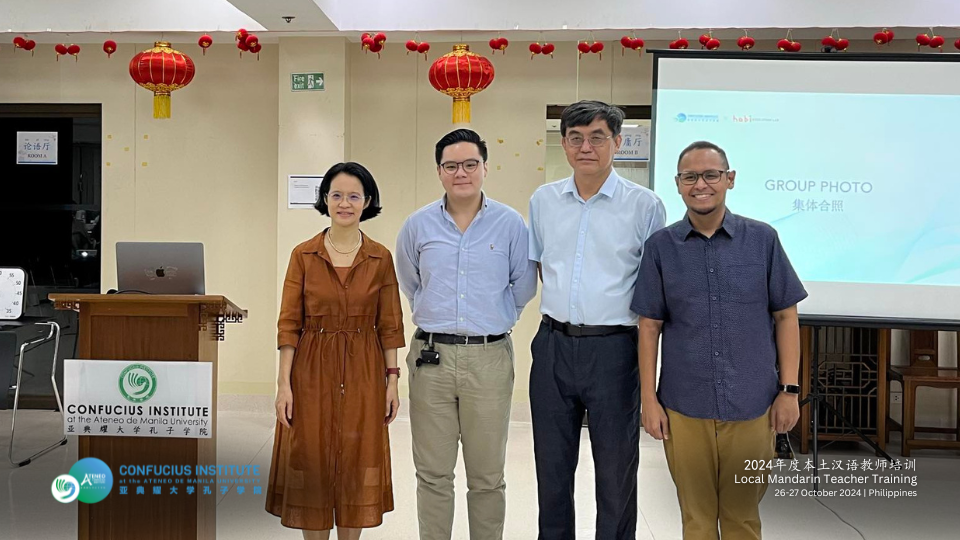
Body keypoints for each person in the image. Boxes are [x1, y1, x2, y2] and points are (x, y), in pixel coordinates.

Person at [633, 141, 807, 540]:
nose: (701, 185)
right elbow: (648, 327)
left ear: (729, 179)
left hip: (751, 404)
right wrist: (648, 400)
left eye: (711, 175)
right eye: (690, 177)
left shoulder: (762, 240)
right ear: (678, 184)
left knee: (742, 518)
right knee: (695, 519)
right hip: (684, 406)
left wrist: (789, 392)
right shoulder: (661, 247)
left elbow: (786, 316)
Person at [528, 100, 666, 539]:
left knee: (615, 470)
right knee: (551, 469)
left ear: (618, 143)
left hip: (614, 350)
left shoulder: (645, 206)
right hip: (552, 345)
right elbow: (535, 269)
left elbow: (653, 293)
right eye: (575, 138)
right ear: (564, 144)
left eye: (597, 137)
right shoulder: (543, 201)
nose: (585, 147)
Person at [395, 128, 538, 540]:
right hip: (431, 358)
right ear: (439, 171)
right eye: (451, 165)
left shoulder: (510, 224)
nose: (462, 173)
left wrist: (492, 321)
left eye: (470, 164)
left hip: (489, 359)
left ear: (485, 168)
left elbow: (523, 287)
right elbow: (411, 281)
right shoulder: (417, 225)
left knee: (487, 475)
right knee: (433, 473)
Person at [266, 162, 405, 540]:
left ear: (367, 202)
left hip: (364, 368)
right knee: (310, 458)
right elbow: (289, 323)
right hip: (309, 368)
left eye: (354, 196)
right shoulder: (304, 255)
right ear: (325, 200)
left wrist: (392, 383)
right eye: (337, 195)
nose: (345, 203)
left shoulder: (380, 257)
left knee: (358, 457)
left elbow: (390, 325)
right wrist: (283, 384)